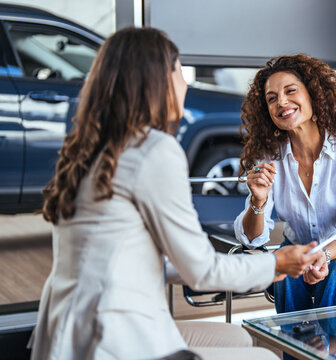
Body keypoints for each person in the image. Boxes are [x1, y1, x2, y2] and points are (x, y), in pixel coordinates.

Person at [28, 28, 320, 360]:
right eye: (180, 71)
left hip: (68, 333)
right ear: (158, 80)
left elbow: (135, 258)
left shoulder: (90, 149)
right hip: (112, 338)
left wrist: (268, 265)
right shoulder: (153, 151)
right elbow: (202, 272)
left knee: (237, 339)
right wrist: (276, 262)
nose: (185, 83)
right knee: (264, 358)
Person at [233, 54, 336, 314]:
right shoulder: (269, 158)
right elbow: (252, 238)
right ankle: (298, 350)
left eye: (290, 91)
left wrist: (322, 255)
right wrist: (257, 200)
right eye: (272, 98)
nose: (281, 102)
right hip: (296, 250)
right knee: (286, 267)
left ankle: (335, 351)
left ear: (314, 94)